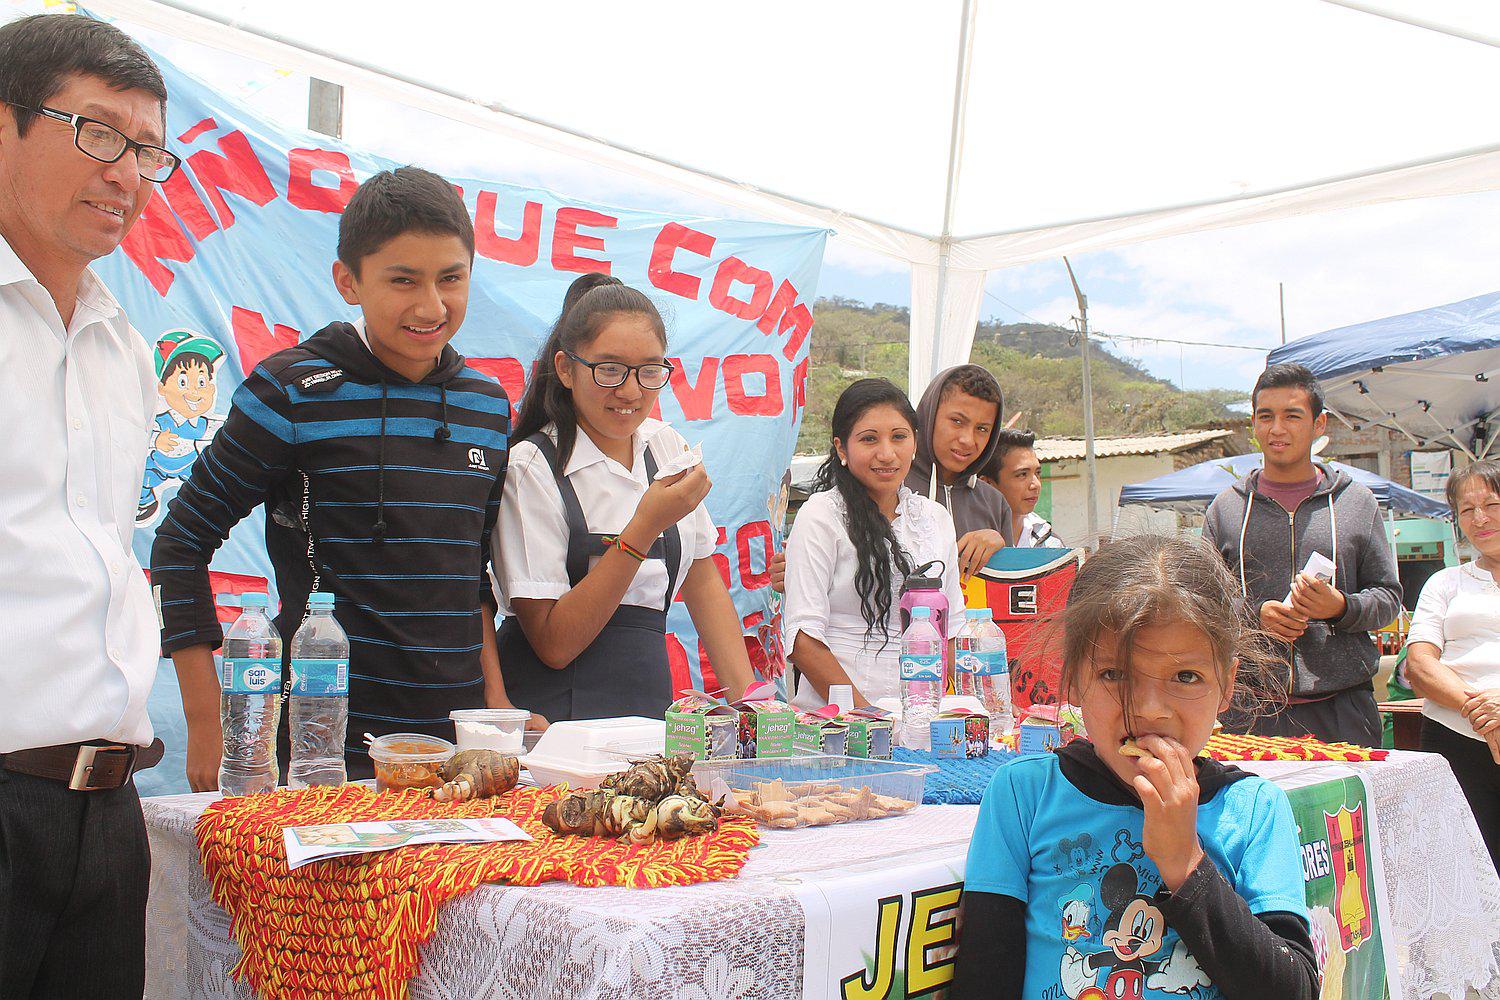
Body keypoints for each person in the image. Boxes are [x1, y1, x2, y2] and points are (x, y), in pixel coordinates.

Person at [153, 166, 527, 788]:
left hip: (455, 759)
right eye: (402, 280)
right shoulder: (291, 391)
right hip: (322, 756)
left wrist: (494, 702)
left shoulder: (485, 406)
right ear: (348, 281)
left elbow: (472, 572)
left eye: (451, 279)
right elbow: (180, 542)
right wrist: (208, 728)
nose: (431, 306)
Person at [0, 14, 175, 997]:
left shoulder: (126, 352)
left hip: (106, 812)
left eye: (147, 150)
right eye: (98, 133)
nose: (126, 172)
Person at [952, 534, 1318, 1000]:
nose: (1149, 710)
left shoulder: (1252, 810)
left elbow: (1294, 991)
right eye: (1114, 674)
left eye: (1186, 676)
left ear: (1226, 685)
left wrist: (1183, 862)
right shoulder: (1023, 796)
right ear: (1074, 678)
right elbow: (985, 974)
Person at [494, 274, 753, 719]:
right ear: (566, 368)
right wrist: (645, 526)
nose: (631, 391)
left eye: (650, 371)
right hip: (555, 715)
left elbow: (703, 581)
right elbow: (554, 643)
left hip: (647, 705)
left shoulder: (666, 448)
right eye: (610, 369)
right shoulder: (531, 466)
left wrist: (749, 706)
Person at [1202, 363, 1401, 745]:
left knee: (1347, 807)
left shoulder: (1356, 503)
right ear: (1254, 425)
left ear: (1319, 424)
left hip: (1343, 709)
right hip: (1249, 709)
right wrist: (1253, 615)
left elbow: (1389, 597)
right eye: (1266, 417)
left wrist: (1340, 607)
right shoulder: (1225, 509)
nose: (1277, 429)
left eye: (1292, 416)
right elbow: (1201, 601)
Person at [781, 378, 964, 709]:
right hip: (836, 723)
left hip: (920, 719)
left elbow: (952, 634)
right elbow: (803, 639)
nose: (886, 453)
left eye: (899, 437)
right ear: (841, 449)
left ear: (915, 443)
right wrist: (869, 717)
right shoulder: (821, 515)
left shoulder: (936, 519)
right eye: (869, 439)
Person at [768, 363, 1010, 591]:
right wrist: (798, 573)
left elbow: (1015, 585)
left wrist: (1000, 546)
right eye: (957, 421)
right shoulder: (883, 479)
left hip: (963, 633)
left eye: (982, 428)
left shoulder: (994, 503)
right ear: (928, 416)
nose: (968, 439)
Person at [1405, 460, 1500, 875]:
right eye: (1467, 509)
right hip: (1456, 737)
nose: (1480, 518)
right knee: (1463, 871)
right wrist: (1485, 714)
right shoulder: (1445, 583)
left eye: (1491, 503)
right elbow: (1420, 665)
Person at [984, 427, 1065, 548]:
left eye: (1037, 473)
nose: (1036, 485)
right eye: (1022, 474)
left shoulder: (1051, 545)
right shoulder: (963, 541)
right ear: (987, 484)